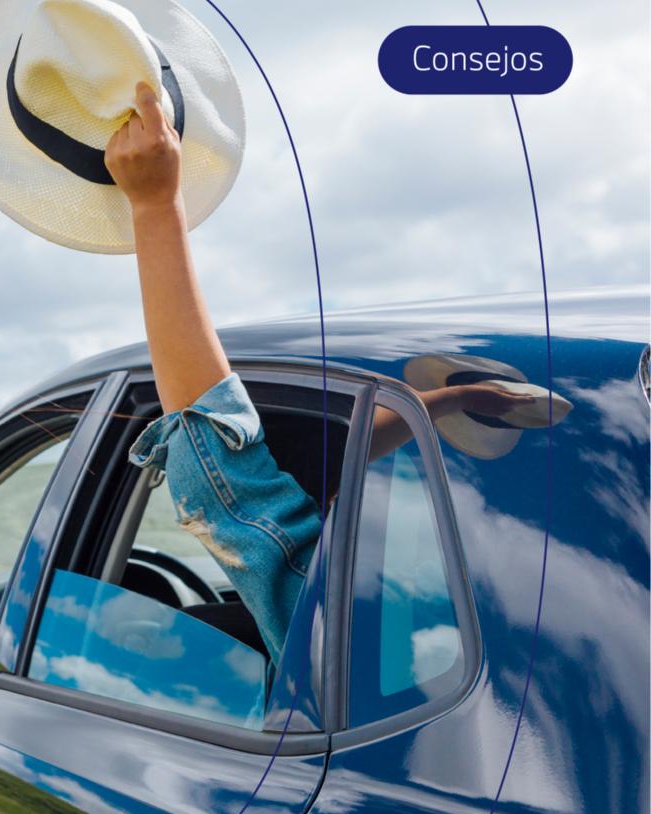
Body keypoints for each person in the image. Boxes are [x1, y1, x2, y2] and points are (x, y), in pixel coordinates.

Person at [103, 82, 534, 668]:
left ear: (325, 506)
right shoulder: (509, 613)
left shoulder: (342, 629)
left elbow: (218, 476)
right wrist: (442, 402)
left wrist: (154, 208)